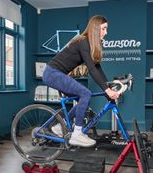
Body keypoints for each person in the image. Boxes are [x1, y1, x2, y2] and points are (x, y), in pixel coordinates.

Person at [42, 15, 119, 147]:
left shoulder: (89, 44)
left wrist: (109, 88)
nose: (106, 32)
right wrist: (107, 90)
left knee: (83, 100)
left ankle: (59, 128)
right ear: (95, 29)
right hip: (52, 73)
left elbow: (97, 68)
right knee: (86, 93)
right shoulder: (84, 41)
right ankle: (76, 134)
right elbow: (91, 70)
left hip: (58, 73)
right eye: (104, 29)